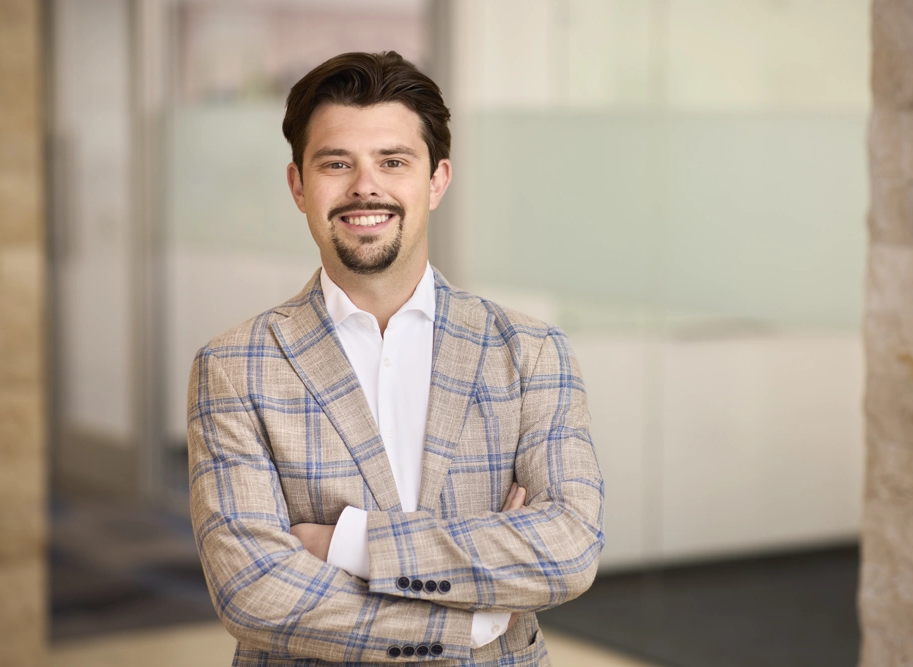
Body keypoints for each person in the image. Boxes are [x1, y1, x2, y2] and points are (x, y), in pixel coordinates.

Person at [187, 51, 604, 667]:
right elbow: (254, 591)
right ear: (299, 185)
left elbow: (568, 547)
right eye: (336, 163)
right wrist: (475, 620)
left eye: (393, 161)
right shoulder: (234, 367)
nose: (365, 186)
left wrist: (347, 543)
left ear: (436, 180)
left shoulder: (532, 353)